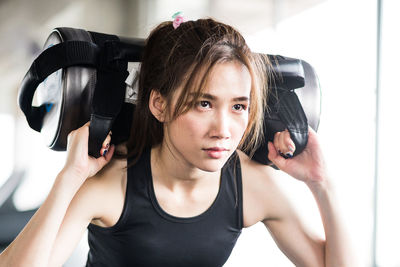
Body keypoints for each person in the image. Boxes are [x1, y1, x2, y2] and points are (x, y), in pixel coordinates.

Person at [0, 16, 356, 267]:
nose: (223, 129)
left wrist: (322, 184)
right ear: (159, 104)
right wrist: (70, 178)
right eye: (204, 103)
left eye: (238, 106)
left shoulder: (251, 185)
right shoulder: (113, 186)